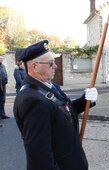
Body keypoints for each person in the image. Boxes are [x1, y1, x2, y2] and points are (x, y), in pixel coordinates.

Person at [13, 40, 98, 170]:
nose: (56, 66)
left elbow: (63, 112)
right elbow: (39, 155)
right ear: (34, 66)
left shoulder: (50, 86)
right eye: (50, 63)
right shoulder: (31, 100)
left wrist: (85, 100)